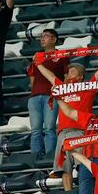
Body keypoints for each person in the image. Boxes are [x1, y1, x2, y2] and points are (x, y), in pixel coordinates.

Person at [37, 57, 98, 191]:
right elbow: (50, 76)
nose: (68, 74)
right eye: (68, 72)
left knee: (82, 165)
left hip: (81, 132)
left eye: (72, 72)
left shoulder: (87, 88)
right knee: (65, 168)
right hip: (63, 133)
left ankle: (85, 193)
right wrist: (38, 64)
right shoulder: (62, 88)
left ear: (80, 76)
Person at [27, 28, 65, 158]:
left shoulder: (61, 56)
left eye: (46, 36)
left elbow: (66, 76)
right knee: (35, 129)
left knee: (49, 127)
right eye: (41, 37)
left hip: (52, 96)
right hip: (35, 97)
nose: (42, 39)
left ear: (54, 39)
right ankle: (35, 157)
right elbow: (32, 77)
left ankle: (50, 157)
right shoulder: (37, 57)